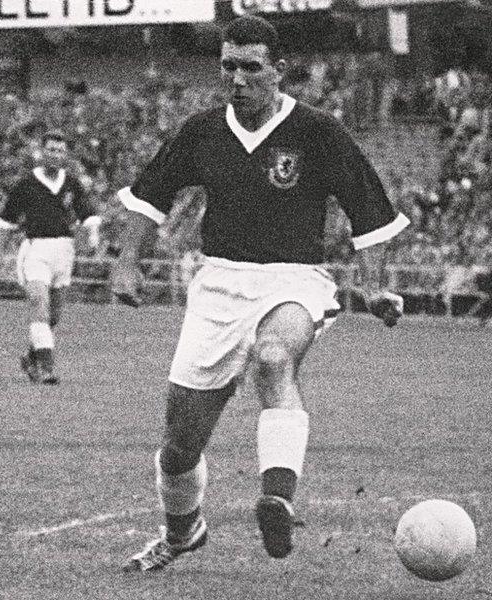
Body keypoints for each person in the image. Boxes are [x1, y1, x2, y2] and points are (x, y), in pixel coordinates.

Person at [111, 15, 408, 571]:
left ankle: (276, 497)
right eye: (229, 66)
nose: (239, 77)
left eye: (252, 67)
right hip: (219, 283)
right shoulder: (201, 130)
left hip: (296, 278)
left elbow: (371, 214)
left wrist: (374, 287)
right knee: (179, 446)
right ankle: (182, 531)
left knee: (274, 359)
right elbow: (148, 197)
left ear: (278, 70)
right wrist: (127, 263)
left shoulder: (319, 132)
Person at [0, 131, 101, 384]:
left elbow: (89, 215)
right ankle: (47, 368)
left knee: (54, 315)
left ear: (66, 155)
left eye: (60, 151)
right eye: (51, 149)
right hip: (36, 249)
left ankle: (31, 357)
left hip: (64, 251)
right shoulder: (26, 184)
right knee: (39, 303)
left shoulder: (71, 183)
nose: (55, 155)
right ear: (42, 152)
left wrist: (93, 240)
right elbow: (6, 221)